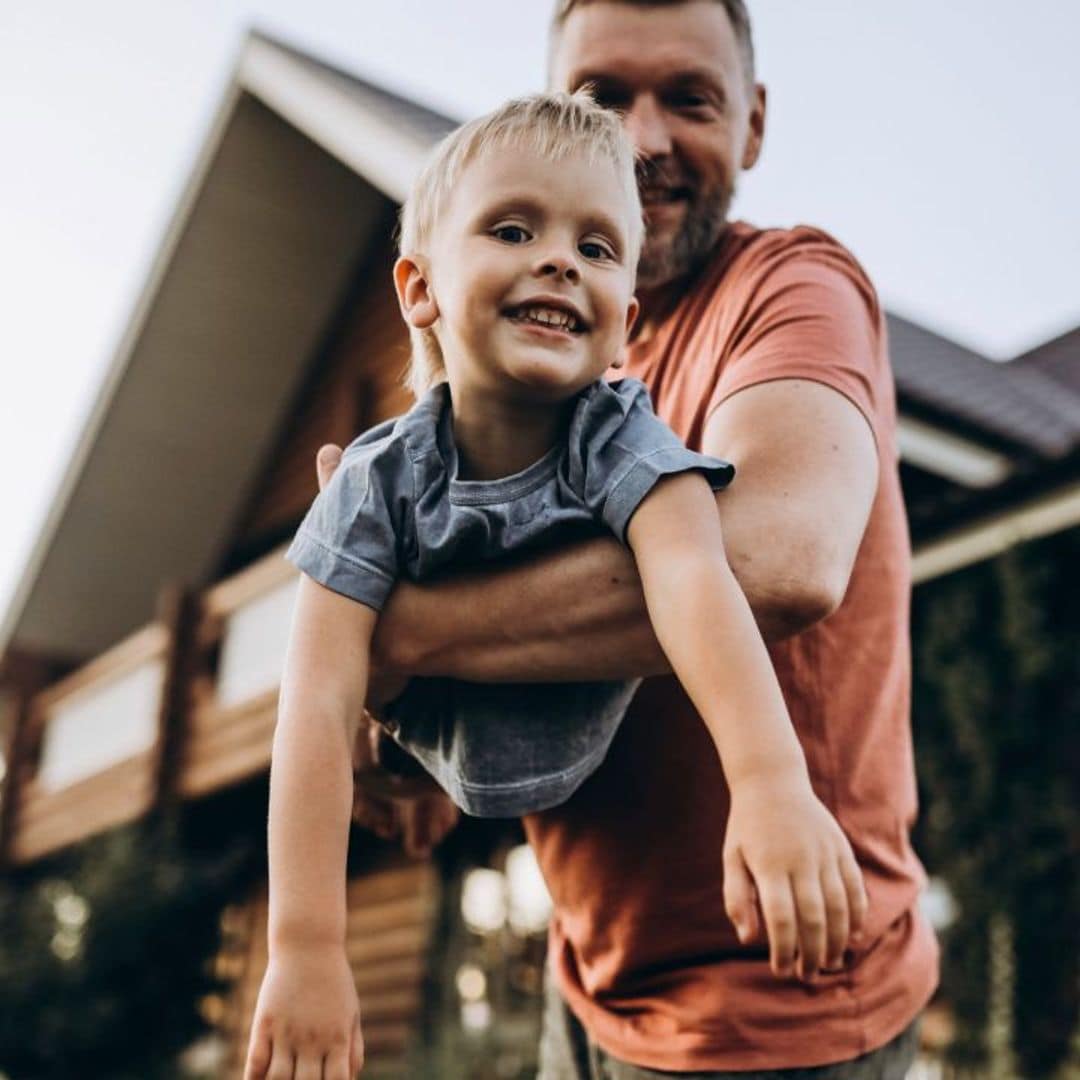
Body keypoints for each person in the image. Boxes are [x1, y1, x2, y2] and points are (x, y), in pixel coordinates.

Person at [321, 1, 940, 1075]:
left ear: (751, 124)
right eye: (606, 97)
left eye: (689, 99)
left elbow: (777, 562)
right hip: (589, 989)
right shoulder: (533, 370)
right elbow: (505, 648)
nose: (645, 138)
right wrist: (399, 736)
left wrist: (398, 630)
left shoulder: (791, 286)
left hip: (779, 1003)